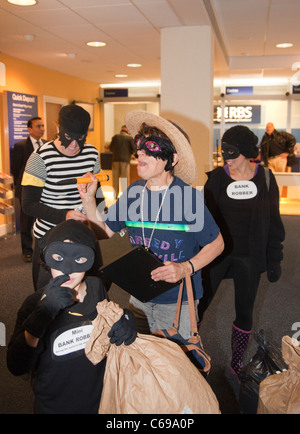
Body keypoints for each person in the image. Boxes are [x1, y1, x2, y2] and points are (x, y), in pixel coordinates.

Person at [78, 110, 224, 340]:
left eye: (151, 148)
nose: (140, 153)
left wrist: (186, 268)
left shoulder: (188, 198)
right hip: (140, 297)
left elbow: (217, 244)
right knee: (141, 363)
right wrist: (88, 199)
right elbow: (103, 230)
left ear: (172, 159)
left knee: (175, 367)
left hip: (178, 300)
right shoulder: (134, 192)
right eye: (139, 146)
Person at [6, 219, 136, 414]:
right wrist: (42, 315)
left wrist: (126, 321)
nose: (67, 270)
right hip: (54, 406)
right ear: (47, 257)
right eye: (59, 257)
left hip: (99, 402)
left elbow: (108, 322)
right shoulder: (33, 304)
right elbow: (17, 365)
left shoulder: (95, 287)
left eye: (79, 259)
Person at [198, 125, 285, 379]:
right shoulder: (216, 178)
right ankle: (191, 354)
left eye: (233, 154)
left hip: (250, 255)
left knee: (245, 310)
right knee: (199, 306)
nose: (228, 160)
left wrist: (274, 258)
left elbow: (274, 221)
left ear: (247, 153)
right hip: (217, 254)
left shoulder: (266, 178)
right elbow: (204, 222)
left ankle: (236, 364)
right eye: (224, 153)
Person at [21, 104, 105, 291]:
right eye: (68, 138)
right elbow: (28, 205)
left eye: (80, 139)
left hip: (83, 234)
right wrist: (65, 215)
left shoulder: (91, 153)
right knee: (52, 296)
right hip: (50, 236)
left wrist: (101, 219)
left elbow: (97, 191)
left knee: (91, 292)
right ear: (58, 129)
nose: (74, 146)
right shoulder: (39, 158)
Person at [10, 117, 46, 263]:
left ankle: (43, 250)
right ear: (29, 129)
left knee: (44, 221)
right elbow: (16, 169)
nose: (42, 129)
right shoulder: (20, 146)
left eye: (43, 126)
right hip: (26, 190)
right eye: (38, 126)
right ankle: (27, 251)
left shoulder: (48, 144)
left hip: (44, 190)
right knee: (26, 222)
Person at [109, 124, 136, 198]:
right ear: (127, 130)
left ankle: (115, 195)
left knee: (115, 179)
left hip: (115, 160)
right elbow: (134, 149)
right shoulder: (129, 138)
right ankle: (124, 196)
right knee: (124, 179)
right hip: (125, 160)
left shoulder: (115, 137)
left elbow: (111, 148)